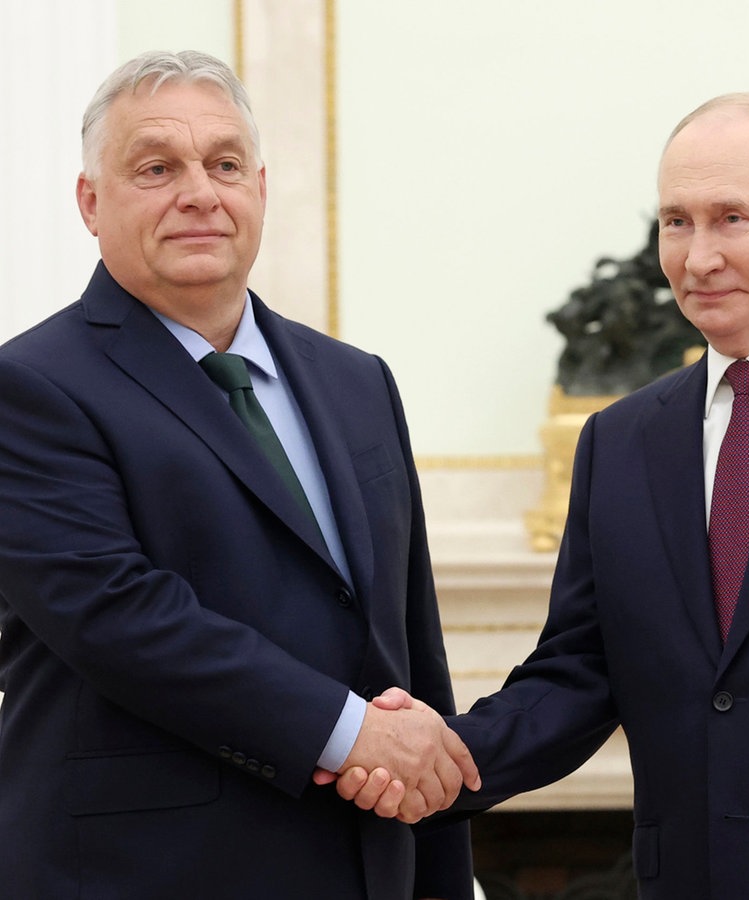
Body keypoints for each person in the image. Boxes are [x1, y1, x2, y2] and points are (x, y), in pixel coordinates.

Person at [328, 92, 749, 898]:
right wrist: (441, 759)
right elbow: (579, 672)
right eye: (676, 221)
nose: (697, 258)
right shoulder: (620, 443)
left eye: (732, 217)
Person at [0, 50, 479, 900]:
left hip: (365, 868)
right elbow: (122, 617)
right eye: (156, 167)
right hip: (143, 874)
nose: (198, 192)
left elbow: (410, 645)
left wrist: (439, 857)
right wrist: (352, 733)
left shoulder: (357, 380)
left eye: (224, 165)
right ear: (90, 202)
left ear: (258, 188)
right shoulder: (31, 388)